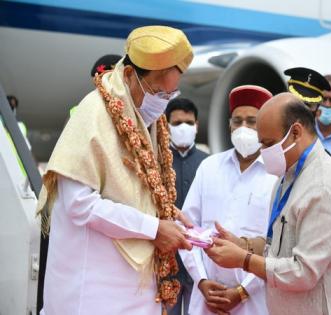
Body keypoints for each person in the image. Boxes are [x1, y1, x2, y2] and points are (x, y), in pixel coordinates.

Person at [36, 25, 195, 315]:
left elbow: (138, 193)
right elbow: (80, 205)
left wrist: (168, 214)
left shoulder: (148, 121)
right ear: (131, 75)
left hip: (135, 294)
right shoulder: (94, 113)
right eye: (159, 92)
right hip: (90, 295)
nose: (162, 103)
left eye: (170, 95)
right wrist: (154, 228)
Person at [205, 93, 331, 315]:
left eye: (268, 143)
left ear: (296, 132)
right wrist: (244, 245)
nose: (262, 151)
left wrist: (243, 260)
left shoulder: (323, 187)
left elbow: (303, 272)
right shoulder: (288, 175)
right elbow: (281, 242)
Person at [180, 85, 277, 315]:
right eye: (238, 120)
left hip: (255, 302)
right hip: (207, 299)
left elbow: (278, 247)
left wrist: (243, 291)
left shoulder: (277, 176)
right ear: (229, 124)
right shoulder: (209, 167)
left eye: (252, 121)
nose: (243, 128)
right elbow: (187, 228)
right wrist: (201, 280)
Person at [165, 98, 209, 315]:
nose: (184, 128)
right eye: (178, 122)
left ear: (197, 126)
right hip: (166, 263)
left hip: (199, 263)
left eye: (189, 123)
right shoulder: (157, 162)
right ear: (166, 126)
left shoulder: (209, 163)